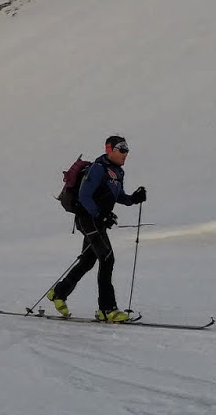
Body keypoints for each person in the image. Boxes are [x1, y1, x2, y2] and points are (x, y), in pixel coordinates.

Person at [47, 134, 147, 321]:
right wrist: (101, 214)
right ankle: (107, 309)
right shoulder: (98, 169)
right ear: (110, 150)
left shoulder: (118, 172)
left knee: (87, 261)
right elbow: (85, 196)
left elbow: (117, 196)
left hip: (97, 221)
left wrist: (134, 198)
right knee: (107, 258)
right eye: (122, 149)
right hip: (88, 219)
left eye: (127, 149)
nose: (126, 153)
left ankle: (59, 293)